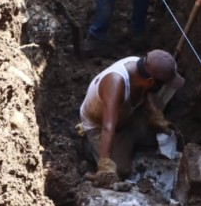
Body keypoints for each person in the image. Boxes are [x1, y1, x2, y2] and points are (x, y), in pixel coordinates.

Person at [79, 49, 184, 187]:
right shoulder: (115, 83)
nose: (163, 88)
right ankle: (88, 147)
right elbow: (108, 127)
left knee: (159, 137)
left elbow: (147, 92)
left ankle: (127, 142)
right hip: (99, 126)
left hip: (126, 117)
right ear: (151, 81)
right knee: (120, 170)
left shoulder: (141, 68)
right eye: (162, 84)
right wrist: (105, 165)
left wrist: (155, 115)